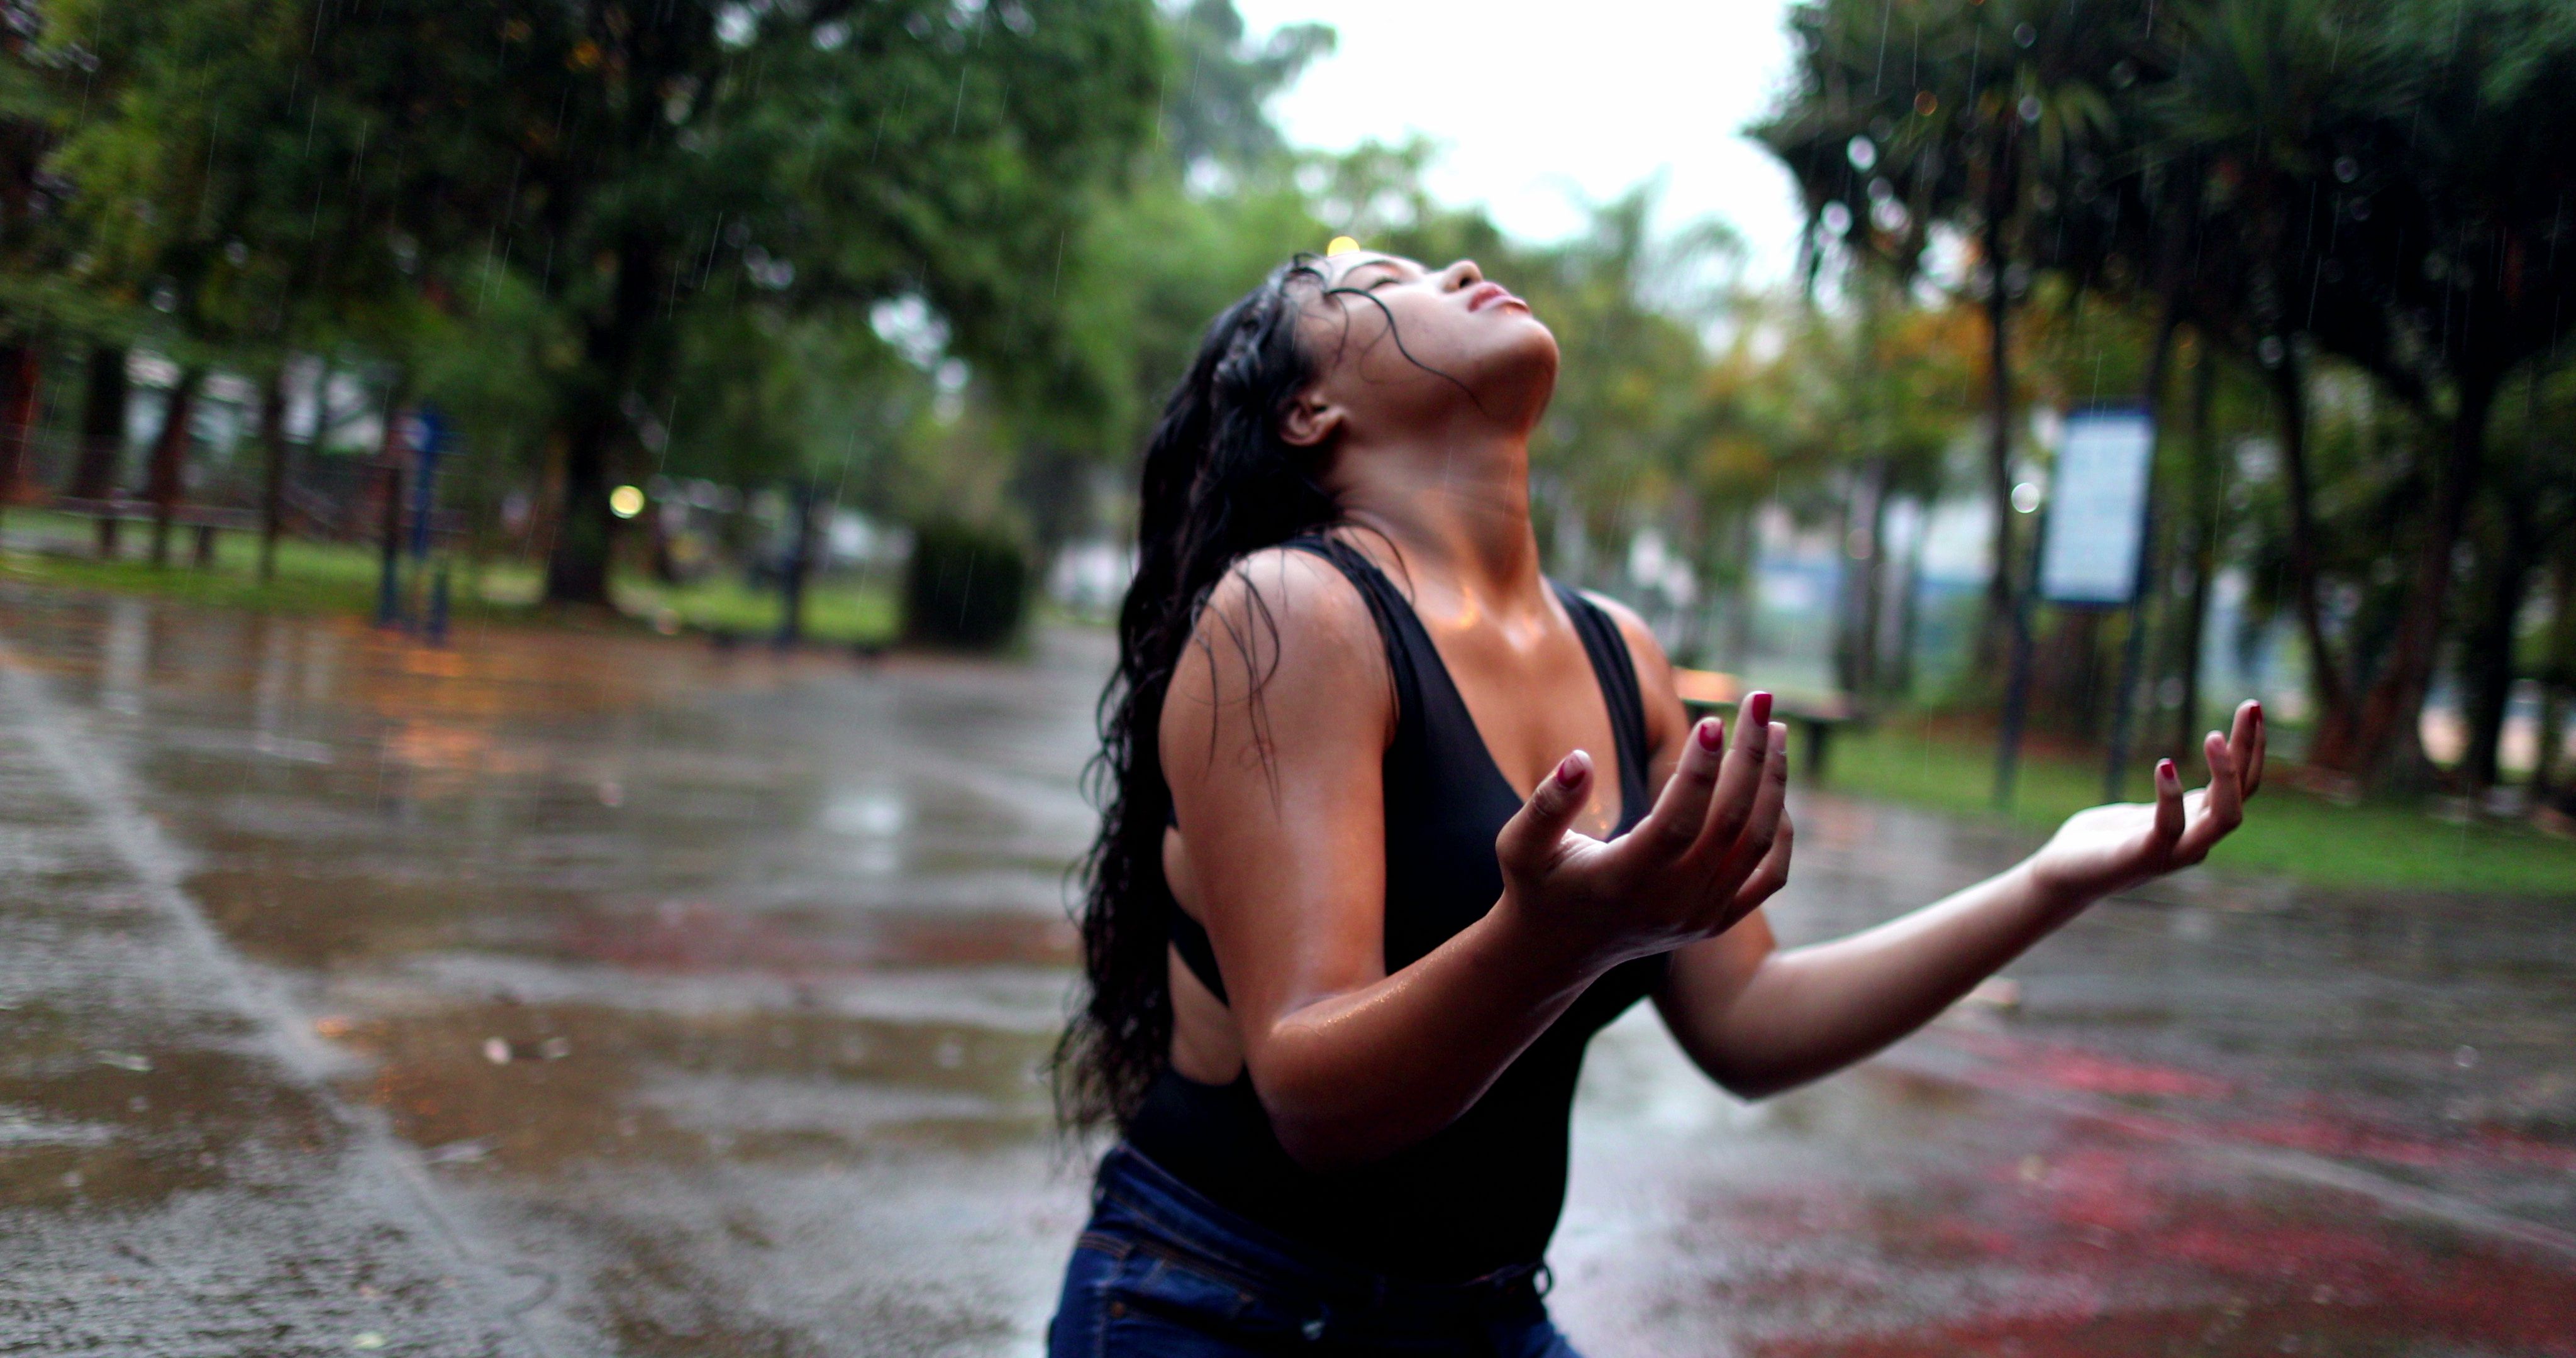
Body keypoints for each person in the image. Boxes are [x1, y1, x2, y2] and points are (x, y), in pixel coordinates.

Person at [1047, 248, 2265, 1357]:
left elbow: (1746, 1021)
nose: (1457, 267)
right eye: (1378, 280)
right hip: (1228, 1309)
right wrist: (1552, 941)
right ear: (1308, 411)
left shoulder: (1617, 652)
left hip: (1484, 1317)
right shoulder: (1289, 613)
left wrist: (2050, 879)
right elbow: (1314, 1099)